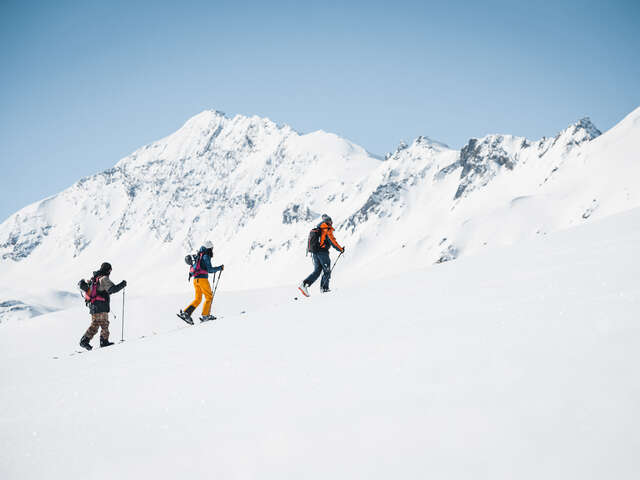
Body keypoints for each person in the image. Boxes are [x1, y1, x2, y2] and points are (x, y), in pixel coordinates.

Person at [79, 262, 126, 350]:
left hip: (93, 305)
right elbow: (112, 289)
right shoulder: (103, 278)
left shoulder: (95, 278)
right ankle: (104, 342)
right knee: (104, 324)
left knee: (95, 324)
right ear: (107, 270)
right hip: (100, 306)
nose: (110, 272)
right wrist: (123, 284)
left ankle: (84, 340)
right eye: (110, 269)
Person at [178, 240, 224, 324]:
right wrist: (219, 268)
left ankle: (186, 313)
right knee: (209, 297)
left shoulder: (199, 255)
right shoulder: (206, 256)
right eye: (212, 248)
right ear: (209, 248)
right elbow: (209, 270)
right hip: (203, 280)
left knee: (198, 298)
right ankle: (205, 316)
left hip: (195, 280)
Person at [299, 214, 344, 296]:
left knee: (317, 271)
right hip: (322, 253)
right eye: (331, 221)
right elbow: (333, 242)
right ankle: (324, 289)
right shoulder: (326, 229)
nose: (331, 223)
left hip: (315, 253)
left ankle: (304, 284)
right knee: (327, 271)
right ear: (328, 222)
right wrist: (341, 249)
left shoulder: (319, 228)